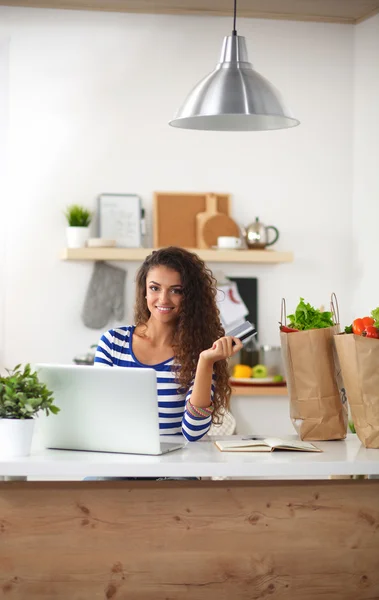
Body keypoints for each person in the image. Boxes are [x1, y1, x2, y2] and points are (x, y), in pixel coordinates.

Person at [94, 246, 243, 441]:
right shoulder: (113, 343)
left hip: (173, 466)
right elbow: (97, 416)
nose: (163, 299)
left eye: (176, 291)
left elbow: (193, 432)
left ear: (190, 297)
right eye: (155, 288)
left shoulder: (200, 352)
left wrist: (206, 361)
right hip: (118, 458)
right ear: (144, 292)